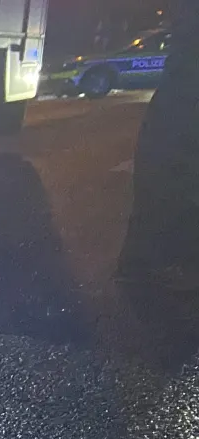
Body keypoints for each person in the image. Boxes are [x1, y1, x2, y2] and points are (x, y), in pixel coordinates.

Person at [117, 0, 198, 293]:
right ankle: (142, 263)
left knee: (163, 182)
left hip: (176, 111)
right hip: (181, 111)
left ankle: (142, 262)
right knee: (170, 181)